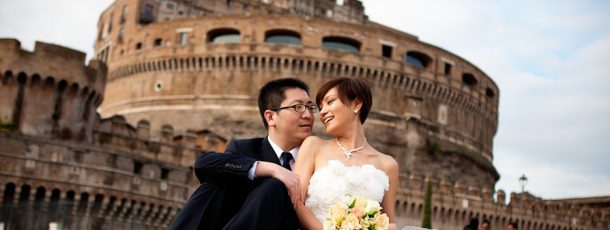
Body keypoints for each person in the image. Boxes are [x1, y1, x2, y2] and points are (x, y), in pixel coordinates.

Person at [170, 77, 317, 230]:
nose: (308, 115)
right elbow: (203, 164)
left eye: (310, 107)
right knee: (219, 180)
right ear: (271, 117)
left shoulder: (319, 160)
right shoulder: (246, 150)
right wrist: (272, 169)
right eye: (298, 107)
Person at [293, 77, 399, 230]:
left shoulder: (388, 165)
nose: (322, 112)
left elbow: (386, 221)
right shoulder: (313, 146)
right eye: (321, 106)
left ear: (356, 104)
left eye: (330, 102)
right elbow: (296, 202)